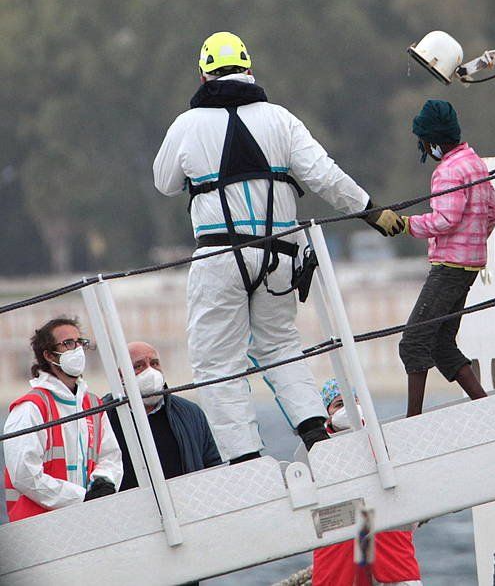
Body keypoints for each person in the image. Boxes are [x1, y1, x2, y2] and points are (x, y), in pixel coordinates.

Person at [153, 31, 403, 464]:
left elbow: (165, 183)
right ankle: (316, 438)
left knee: (218, 364)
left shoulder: (186, 125)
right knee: (282, 349)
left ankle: (247, 462)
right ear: (250, 70)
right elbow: (324, 175)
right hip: (281, 259)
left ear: (202, 75)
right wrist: (371, 211)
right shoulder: (280, 119)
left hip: (219, 257)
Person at [395, 100, 495, 417]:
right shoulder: (474, 162)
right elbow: (493, 212)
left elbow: (445, 221)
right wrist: (473, 242)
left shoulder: (448, 171)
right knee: (442, 344)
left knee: (413, 342)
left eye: (423, 141)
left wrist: (405, 225)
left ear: (433, 141)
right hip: (470, 265)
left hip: (449, 268)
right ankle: (485, 405)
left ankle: (413, 420)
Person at [3, 317, 123, 521]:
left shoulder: (93, 405)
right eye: (68, 343)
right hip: (39, 526)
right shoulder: (31, 408)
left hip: (89, 519)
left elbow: (110, 457)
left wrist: (105, 482)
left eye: (79, 342)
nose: (77, 349)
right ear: (49, 355)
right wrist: (80, 497)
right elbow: (24, 474)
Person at [310, 379, 423, 586]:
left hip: (393, 556)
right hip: (339, 563)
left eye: (353, 402)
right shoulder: (315, 453)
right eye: (339, 405)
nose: (348, 410)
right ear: (328, 413)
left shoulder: (383, 439)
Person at [105, 341, 222, 492]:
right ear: (121, 376)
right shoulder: (103, 417)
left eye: (154, 364)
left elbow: (213, 464)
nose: (150, 372)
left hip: (184, 504)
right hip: (126, 508)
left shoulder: (190, 413)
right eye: (138, 366)